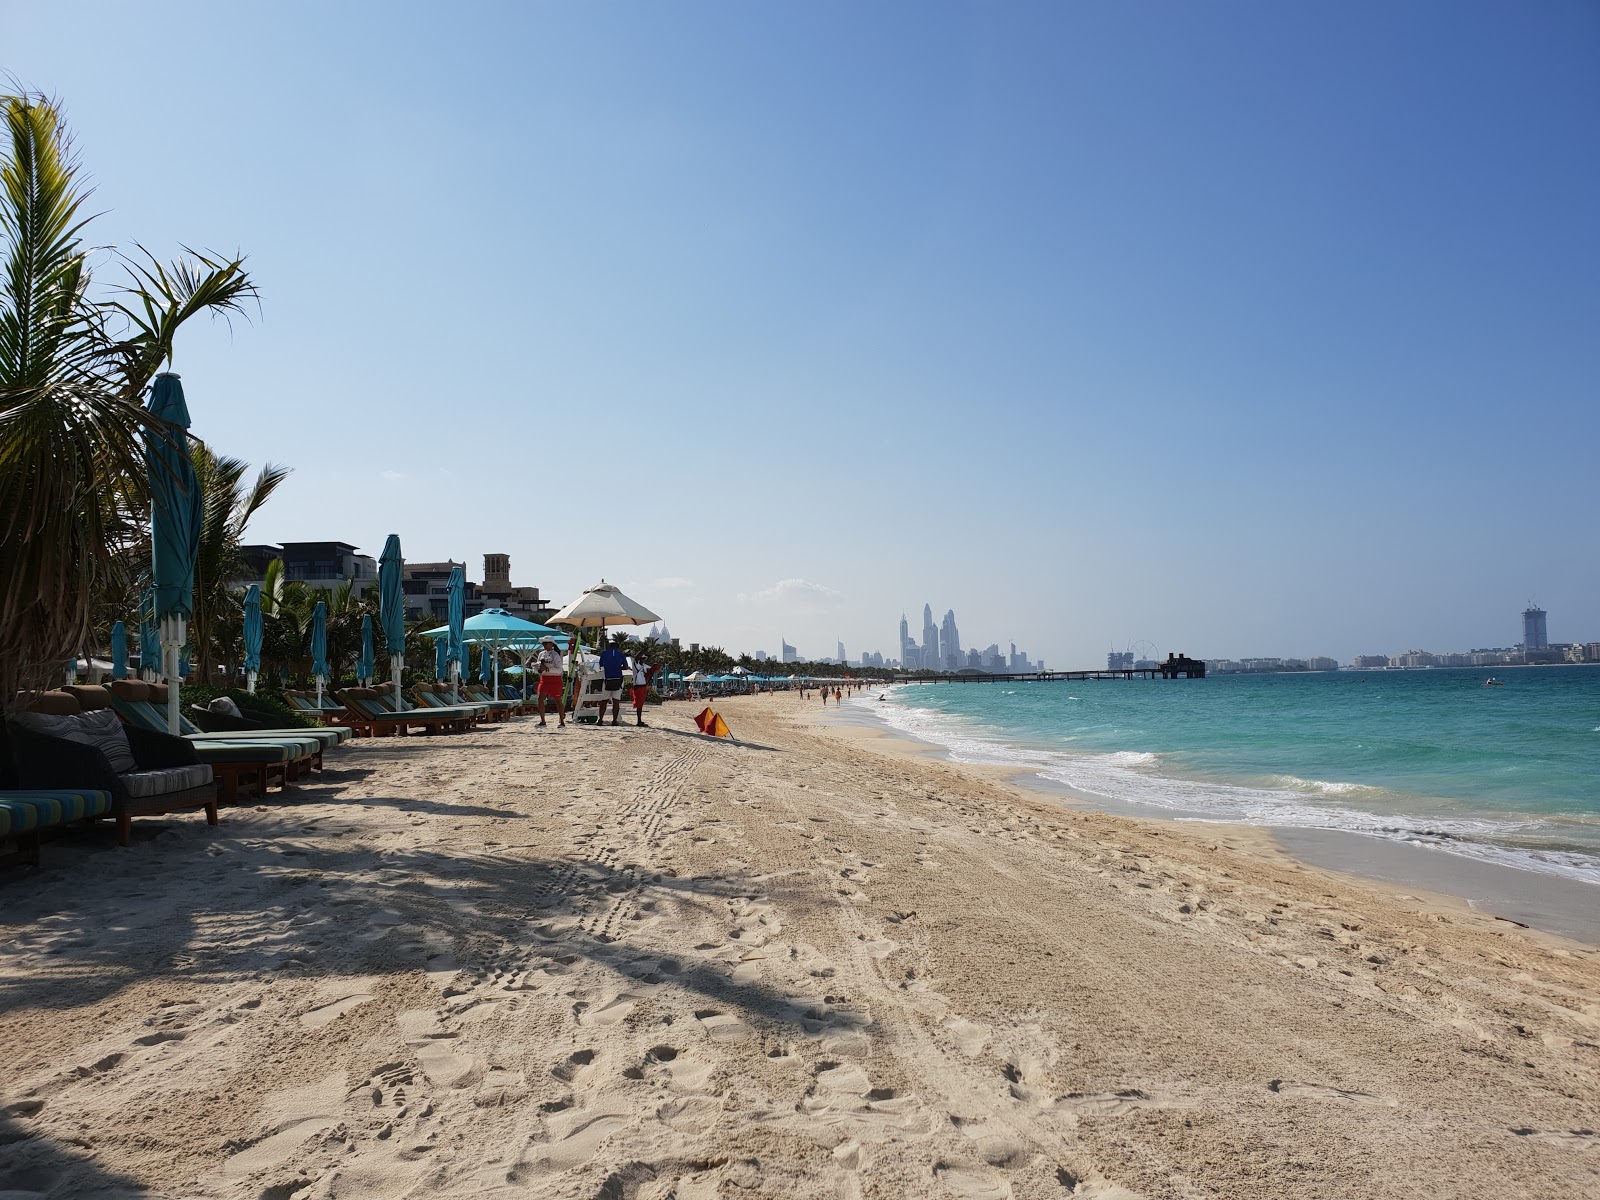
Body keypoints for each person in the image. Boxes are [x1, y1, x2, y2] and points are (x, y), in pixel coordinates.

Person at [597, 634, 629, 726]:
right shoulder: (621, 655)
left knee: (604, 701)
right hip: (618, 679)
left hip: (607, 679)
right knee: (616, 701)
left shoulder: (604, 653)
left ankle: (600, 719)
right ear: (618, 647)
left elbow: (601, 665)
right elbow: (626, 667)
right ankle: (614, 720)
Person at [535, 635, 566, 728]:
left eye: (546, 643)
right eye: (543, 643)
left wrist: (547, 669)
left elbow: (559, 670)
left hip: (555, 679)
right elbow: (538, 667)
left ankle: (562, 721)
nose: (544, 645)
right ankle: (543, 721)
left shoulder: (556, 655)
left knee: (557, 700)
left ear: (551, 644)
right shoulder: (541, 654)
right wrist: (537, 668)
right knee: (540, 698)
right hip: (544, 678)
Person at [629, 651, 657, 727]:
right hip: (638, 686)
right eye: (642, 659)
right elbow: (636, 657)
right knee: (639, 705)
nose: (643, 660)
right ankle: (639, 721)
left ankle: (639, 720)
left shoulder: (642, 666)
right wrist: (642, 650)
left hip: (643, 686)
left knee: (640, 704)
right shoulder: (636, 664)